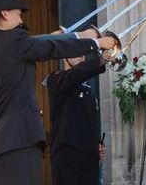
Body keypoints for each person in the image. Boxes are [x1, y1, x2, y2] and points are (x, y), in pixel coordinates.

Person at [0, 0, 119, 185]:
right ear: (4, 13)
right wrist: (96, 43)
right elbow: (54, 47)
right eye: (18, 14)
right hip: (22, 140)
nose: (21, 20)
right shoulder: (15, 40)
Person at [46, 36, 107, 185]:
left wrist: (96, 144)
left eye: (83, 52)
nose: (81, 54)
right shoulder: (56, 78)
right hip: (67, 153)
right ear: (65, 55)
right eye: (76, 51)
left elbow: (87, 120)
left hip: (89, 155)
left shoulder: (88, 89)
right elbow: (75, 75)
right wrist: (101, 59)